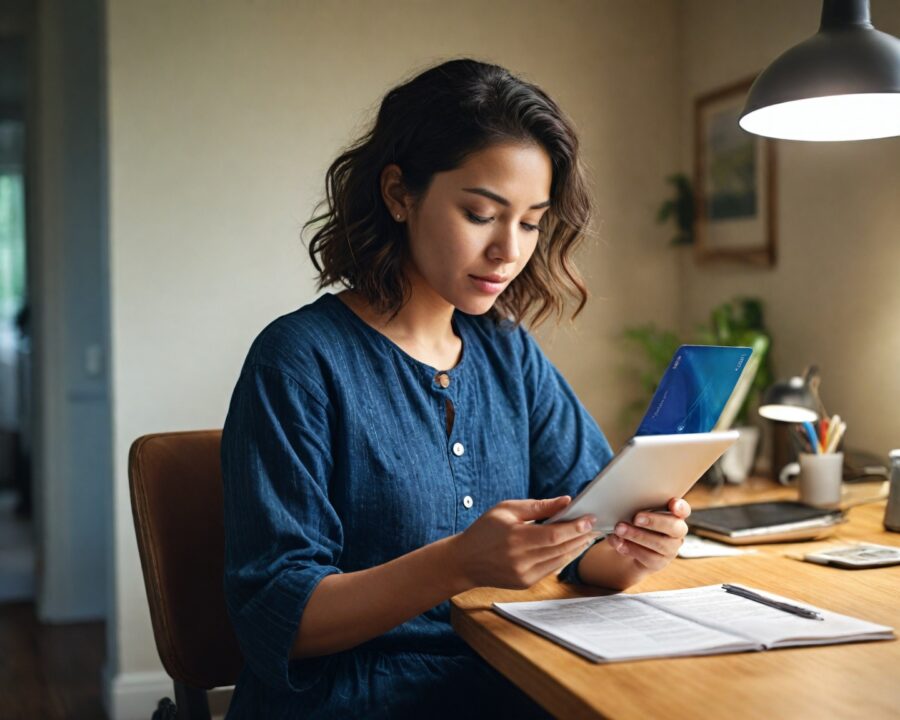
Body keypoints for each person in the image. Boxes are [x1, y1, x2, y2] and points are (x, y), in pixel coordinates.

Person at [220, 58, 691, 719]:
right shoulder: (298, 360)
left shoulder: (508, 351)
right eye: (481, 213)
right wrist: (458, 563)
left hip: (506, 682)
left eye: (531, 222)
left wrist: (632, 552)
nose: (509, 250)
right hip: (352, 701)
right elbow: (277, 618)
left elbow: (585, 536)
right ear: (398, 194)